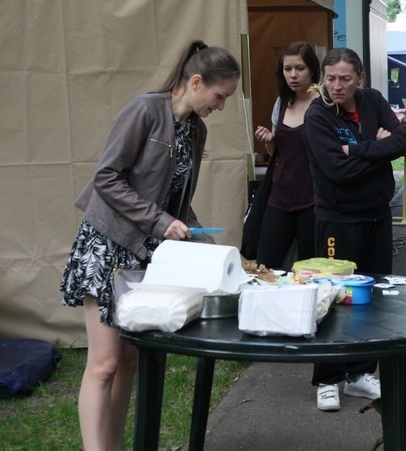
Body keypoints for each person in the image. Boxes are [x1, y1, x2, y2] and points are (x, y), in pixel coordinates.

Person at [60, 40, 240, 451]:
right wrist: (161, 222)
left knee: (128, 363)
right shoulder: (144, 110)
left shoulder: (196, 129)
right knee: (104, 364)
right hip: (107, 247)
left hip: (143, 254)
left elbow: (177, 202)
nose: (221, 105)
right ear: (196, 82)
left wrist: (207, 244)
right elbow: (107, 178)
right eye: (220, 96)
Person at [303, 47, 406, 412]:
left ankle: (361, 373)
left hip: (376, 216)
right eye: (330, 78)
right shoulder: (317, 116)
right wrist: (376, 150)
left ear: (359, 78)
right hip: (337, 218)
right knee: (334, 297)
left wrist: (357, 149)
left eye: (345, 78)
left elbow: (401, 141)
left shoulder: (374, 100)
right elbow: (337, 172)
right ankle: (328, 377)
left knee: (373, 294)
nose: (336, 86)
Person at [246, 42, 320, 268]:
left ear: (312, 70)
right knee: (265, 264)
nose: (293, 75)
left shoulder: (323, 104)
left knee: (311, 268)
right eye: (288, 69)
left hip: (313, 198)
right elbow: (278, 153)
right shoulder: (282, 103)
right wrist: (270, 141)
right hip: (280, 194)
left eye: (300, 68)